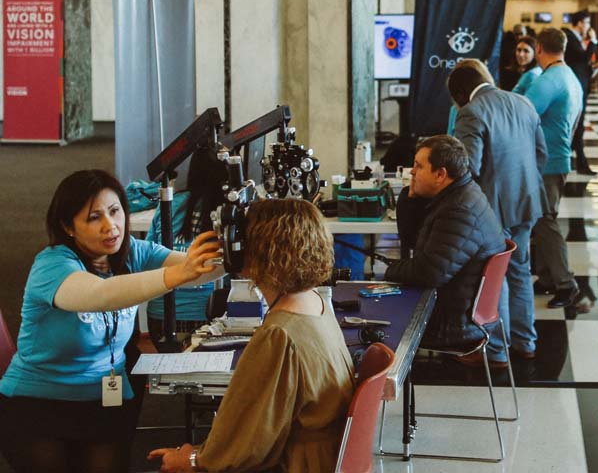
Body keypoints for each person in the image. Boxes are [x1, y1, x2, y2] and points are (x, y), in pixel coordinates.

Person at [0, 169, 222, 473]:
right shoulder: (51, 265)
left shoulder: (132, 251)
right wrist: (177, 275)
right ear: (68, 227)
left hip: (104, 399)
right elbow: (101, 294)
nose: (111, 226)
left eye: (115, 211)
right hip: (39, 403)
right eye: (94, 217)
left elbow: (203, 270)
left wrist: (233, 251)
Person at [150, 198, 354, 472]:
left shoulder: (279, 335)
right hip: (323, 457)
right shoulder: (316, 304)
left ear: (255, 250)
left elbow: (249, 447)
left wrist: (191, 459)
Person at [448, 61, 547, 360]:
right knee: (519, 272)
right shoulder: (523, 101)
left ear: (461, 93)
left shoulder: (471, 112)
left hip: (493, 210)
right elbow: (541, 153)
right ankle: (525, 342)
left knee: (494, 277)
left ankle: (496, 351)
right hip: (527, 201)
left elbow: (469, 169)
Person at [384, 135, 508, 367]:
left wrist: (389, 270)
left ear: (440, 175)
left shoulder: (459, 210)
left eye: (419, 166)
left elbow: (429, 272)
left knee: (368, 318)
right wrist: (410, 197)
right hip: (457, 308)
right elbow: (412, 240)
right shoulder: (461, 193)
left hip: (453, 323)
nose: (412, 172)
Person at [524, 28, 584, 309]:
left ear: (538, 48)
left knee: (546, 221)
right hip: (559, 156)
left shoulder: (547, 80)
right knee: (544, 219)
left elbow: (522, 115)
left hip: (545, 160)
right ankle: (548, 276)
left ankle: (566, 283)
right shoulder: (570, 76)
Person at [146, 149, 228, 350]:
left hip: (160, 318)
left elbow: (148, 255)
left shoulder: (169, 205)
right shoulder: (227, 211)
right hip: (205, 316)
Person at [563, 10, 598, 175]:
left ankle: (574, 159)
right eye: (587, 23)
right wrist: (593, 41)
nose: (588, 27)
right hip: (577, 85)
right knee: (576, 123)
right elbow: (583, 58)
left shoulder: (575, 38)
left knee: (577, 124)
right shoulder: (570, 37)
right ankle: (578, 161)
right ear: (579, 23)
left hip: (580, 83)